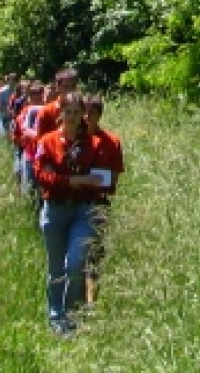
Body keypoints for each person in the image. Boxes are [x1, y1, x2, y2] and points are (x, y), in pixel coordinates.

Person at [32, 92, 121, 337]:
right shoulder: (47, 141)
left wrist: (85, 181)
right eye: (67, 112)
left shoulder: (93, 144)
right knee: (56, 268)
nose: (71, 117)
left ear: (83, 114)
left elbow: (103, 177)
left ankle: (72, 316)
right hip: (55, 209)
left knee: (75, 263)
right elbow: (43, 176)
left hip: (84, 209)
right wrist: (75, 180)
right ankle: (56, 317)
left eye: (76, 112)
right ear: (60, 113)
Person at [80, 95, 124, 307]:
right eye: (85, 113)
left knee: (95, 254)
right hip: (74, 202)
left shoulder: (111, 142)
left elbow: (113, 176)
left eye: (93, 114)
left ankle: (91, 302)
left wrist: (91, 180)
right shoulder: (72, 140)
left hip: (99, 203)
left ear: (99, 116)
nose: (88, 118)